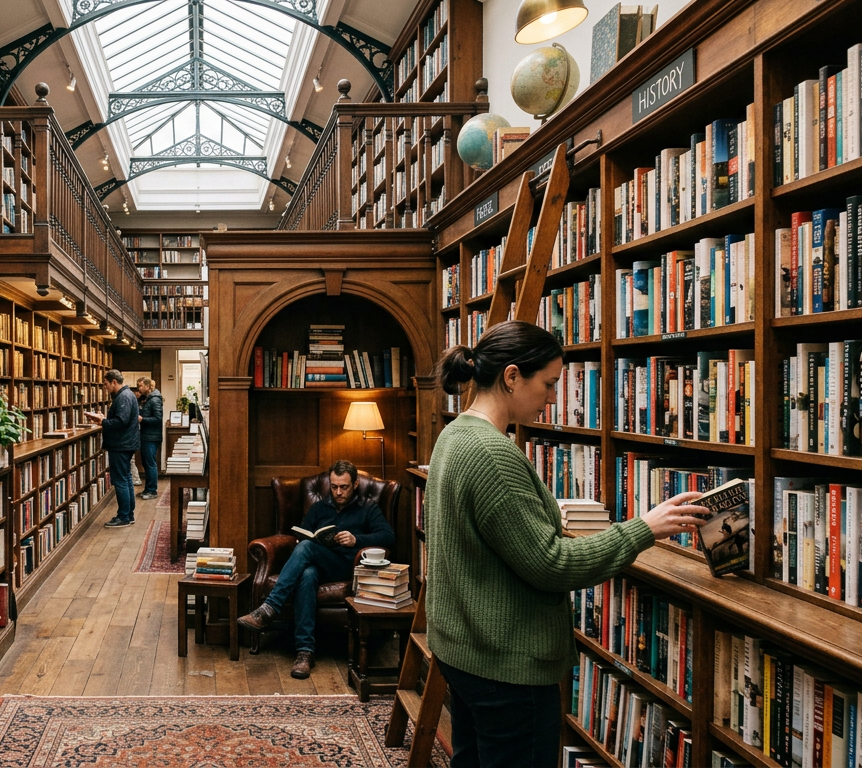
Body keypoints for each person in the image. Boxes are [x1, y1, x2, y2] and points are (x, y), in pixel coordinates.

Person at [425, 321, 708, 768]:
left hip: (464, 651)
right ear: (512, 376)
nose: (554, 397)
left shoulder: (455, 435)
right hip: (505, 664)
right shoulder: (491, 452)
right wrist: (644, 528)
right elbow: (552, 564)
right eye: (550, 383)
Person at [235, 459, 394, 680]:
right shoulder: (320, 507)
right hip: (317, 563)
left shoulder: (367, 508)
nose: (338, 492)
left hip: (345, 567)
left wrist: (356, 538)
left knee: (308, 549)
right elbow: (302, 533)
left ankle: (269, 608)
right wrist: (305, 540)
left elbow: (388, 536)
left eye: (344, 487)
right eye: (334, 486)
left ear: (355, 484)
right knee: (307, 573)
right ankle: (305, 653)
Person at [86, 369, 140, 527]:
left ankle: (124, 516)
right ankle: (128, 514)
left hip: (121, 444)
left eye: (106, 384)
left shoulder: (123, 397)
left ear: (114, 382)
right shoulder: (128, 394)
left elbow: (120, 421)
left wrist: (102, 421)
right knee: (126, 478)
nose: (105, 387)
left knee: (121, 480)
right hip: (126, 443)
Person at [136, 377, 164, 500]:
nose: (139, 388)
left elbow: (158, 419)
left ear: (148, 386)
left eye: (141, 386)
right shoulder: (146, 399)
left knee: (150, 464)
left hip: (151, 437)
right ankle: (148, 489)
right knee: (147, 463)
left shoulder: (155, 400)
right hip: (146, 435)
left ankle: (152, 491)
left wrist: (142, 419)